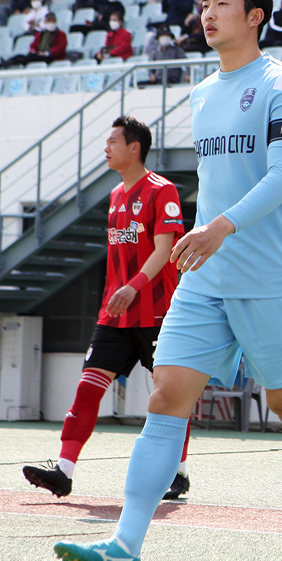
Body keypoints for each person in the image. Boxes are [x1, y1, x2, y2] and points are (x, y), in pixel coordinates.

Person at [51, 0, 282, 561]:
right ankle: (125, 545)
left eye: (222, 2)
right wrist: (206, 235)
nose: (207, 12)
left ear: (255, 16)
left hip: (269, 278)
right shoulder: (202, 92)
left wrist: (219, 227)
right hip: (204, 278)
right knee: (165, 399)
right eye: (204, 2)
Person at [23, 117, 190, 501]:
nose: (106, 147)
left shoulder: (162, 190)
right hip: (115, 314)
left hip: (158, 313)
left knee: (171, 395)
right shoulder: (115, 195)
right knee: (87, 388)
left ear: (135, 147)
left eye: (113, 141)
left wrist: (134, 286)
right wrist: (121, 292)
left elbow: (164, 250)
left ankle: (177, 474)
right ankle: (63, 472)